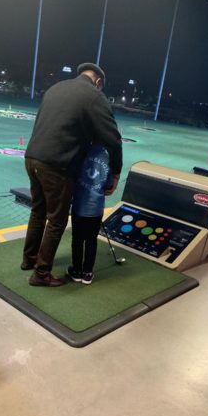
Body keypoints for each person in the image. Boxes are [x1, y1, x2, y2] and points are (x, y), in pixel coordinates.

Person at [22, 63, 122, 287]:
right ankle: (41, 273)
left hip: (32, 158)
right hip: (56, 165)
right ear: (98, 82)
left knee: (38, 210)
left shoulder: (56, 88)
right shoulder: (94, 96)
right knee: (56, 220)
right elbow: (114, 139)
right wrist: (115, 172)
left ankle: (28, 260)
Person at [66, 143, 113, 285]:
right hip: (96, 208)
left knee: (78, 239)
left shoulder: (81, 150)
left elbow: (72, 175)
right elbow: (108, 184)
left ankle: (77, 271)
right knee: (91, 240)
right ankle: (87, 273)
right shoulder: (107, 155)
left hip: (79, 206)